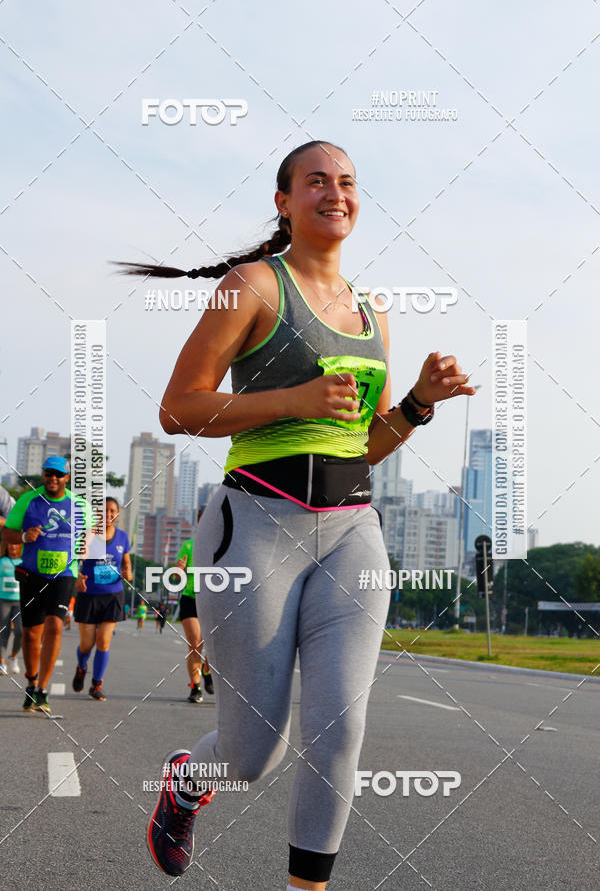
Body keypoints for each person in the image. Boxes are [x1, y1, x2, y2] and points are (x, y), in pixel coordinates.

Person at [118, 141, 474, 889]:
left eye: (346, 183)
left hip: (352, 533)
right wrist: (293, 401)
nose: (334, 193)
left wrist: (416, 404)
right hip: (255, 526)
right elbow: (178, 408)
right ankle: (186, 782)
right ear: (284, 202)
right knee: (253, 754)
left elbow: (366, 445)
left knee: (341, 729)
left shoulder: (373, 311)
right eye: (316, 182)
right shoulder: (249, 286)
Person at [2, 456, 92, 715]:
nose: (52, 479)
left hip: (64, 574)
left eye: (58, 475)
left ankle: (42, 689)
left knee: (54, 625)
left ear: (66, 477)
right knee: (31, 633)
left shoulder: (79, 505)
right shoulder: (29, 501)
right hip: (32, 574)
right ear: (43, 476)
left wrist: (85, 554)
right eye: (48, 474)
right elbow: (7, 531)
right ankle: (31, 682)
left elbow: (90, 536)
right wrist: (22, 536)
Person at [72, 497, 132, 701]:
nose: (107, 514)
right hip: (89, 594)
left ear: (117, 514)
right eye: (103, 510)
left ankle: (96, 684)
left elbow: (126, 561)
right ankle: (81, 667)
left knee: (103, 640)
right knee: (87, 644)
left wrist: (128, 571)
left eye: (112, 510)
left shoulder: (123, 537)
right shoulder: (89, 535)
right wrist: (78, 577)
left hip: (113, 594)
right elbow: (78, 557)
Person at [175, 508, 214, 703]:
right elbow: (176, 575)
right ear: (198, 522)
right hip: (191, 598)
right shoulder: (188, 546)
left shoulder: (220, 546)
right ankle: (195, 687)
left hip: (213, 599)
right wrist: (179, 571)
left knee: (214, 645)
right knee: (195, 644)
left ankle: (207, 670)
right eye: (202, 519)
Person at [0, 539, 23, 675]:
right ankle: (1, 662)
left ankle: (13, 657)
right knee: (3, 631)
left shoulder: (23, 561)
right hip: (3, 600)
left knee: (20, 631)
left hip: (19, 602)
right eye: (10, 543)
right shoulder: (2, 561)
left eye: (16, 543)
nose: (13, 546)